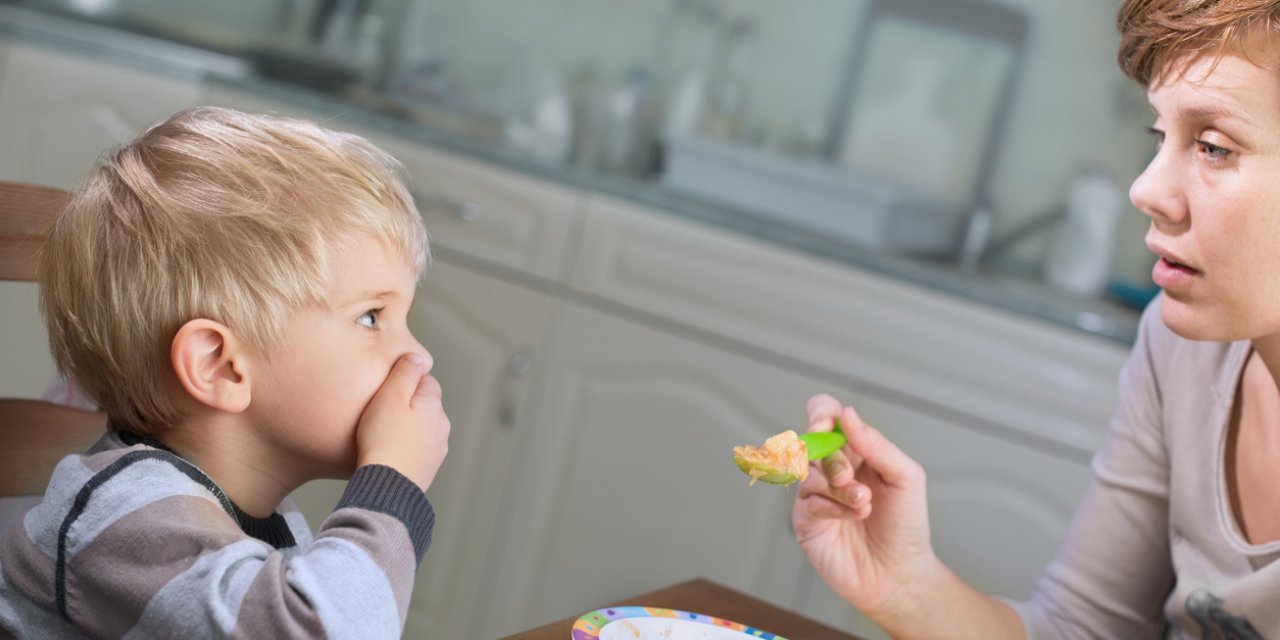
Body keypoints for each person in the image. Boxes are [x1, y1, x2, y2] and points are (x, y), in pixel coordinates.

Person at [792, 1, 1280, 638]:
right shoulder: (1178, 347)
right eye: (1162, 137)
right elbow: (1082, 627)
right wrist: (905, 587)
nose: (1146, 189)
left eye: (1213, 146)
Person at [0, 106, 450, 638]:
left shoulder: (256, 512)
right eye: (371, 317)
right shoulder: (130, 517)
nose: (418, 356)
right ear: (219, 366)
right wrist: (391, 485)